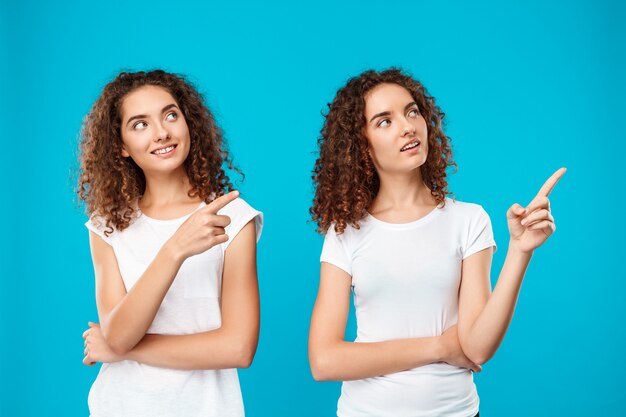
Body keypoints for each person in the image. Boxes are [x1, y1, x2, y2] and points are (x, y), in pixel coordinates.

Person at [308, 68, 564, 417]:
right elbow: (324, 361)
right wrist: (440, 346)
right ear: (361, 146)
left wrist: (520, 251)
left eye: (412, 111)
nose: (407, 126)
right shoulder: (345, 233)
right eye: (384, 121)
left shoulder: (469, 220)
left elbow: (476, 348)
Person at [78, 70, 263, 417]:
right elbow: (118, 334)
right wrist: (175, 249)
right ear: (120, 145)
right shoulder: (106, 226)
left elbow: (238, 348)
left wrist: (124, 349)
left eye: (170, 115)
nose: (162, 132)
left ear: (187, 122)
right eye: (140, 124)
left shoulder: (231, 217)